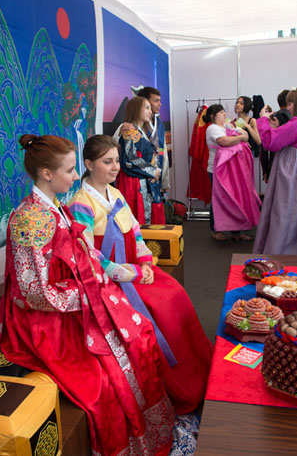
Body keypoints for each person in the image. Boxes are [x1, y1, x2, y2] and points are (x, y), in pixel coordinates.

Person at [0, 134, 175, 456]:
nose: (73, 177)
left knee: (140, 336)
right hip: (46, 319)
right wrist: (90, 293)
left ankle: (150, 436)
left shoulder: (55, 208)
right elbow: (33, 293)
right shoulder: (29, 220)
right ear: (46, 173)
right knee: (104, 380)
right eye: (70, 170)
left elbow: (83, 252)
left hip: (77, 300)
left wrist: (104, 276)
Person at [69, 134, 213, 417]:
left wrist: (146, 263)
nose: (115, 168)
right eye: (106, 162)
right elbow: (86, 252)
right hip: (108, 279)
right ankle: (180, 387)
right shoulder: (80, 204)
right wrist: (123, 272)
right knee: (159, 309)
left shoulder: (117, 194)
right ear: (88, 164)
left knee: (175, 293)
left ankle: (201, 373)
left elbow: (135, 233)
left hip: (134, 271)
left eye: (116, 161)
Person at [252, 87, 297, 255]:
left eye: (290, 103)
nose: (288, 107)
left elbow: (271, 142)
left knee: (284, 212)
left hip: (293, 172)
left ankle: (280, 250)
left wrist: (262, 120)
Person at [203, 104, 260, 241]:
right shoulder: (213, 128)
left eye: (224, 112)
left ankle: (236, 232)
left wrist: (239, 137)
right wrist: (238, 138)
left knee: (236, 198)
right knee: (219, 198)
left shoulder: (228, 126)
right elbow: (225, 141)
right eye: (221, 112)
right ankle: (215, 229)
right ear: (213, 116)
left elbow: (246, 136)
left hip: (233, 169)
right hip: (218, 169)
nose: (224, 114)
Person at [116, 96, 166, 224]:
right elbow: (129, 158)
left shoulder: (141, 131)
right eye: (147, 108)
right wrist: (152, 171)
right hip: (135, 183)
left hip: (144, 180)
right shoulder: (129, 131)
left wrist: (156, 171)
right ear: (136, 109)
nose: (150, 111)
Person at [137, 86, 171, 193]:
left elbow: (162, 151)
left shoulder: (159, 124)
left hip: (157, 174)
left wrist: (165, 181)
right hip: (140, 177)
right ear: (144, 102)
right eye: (156, 101)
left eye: (160, 100)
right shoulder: (131, 126)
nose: (160, 104)